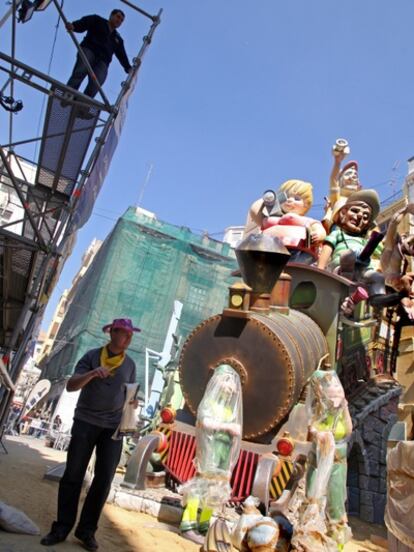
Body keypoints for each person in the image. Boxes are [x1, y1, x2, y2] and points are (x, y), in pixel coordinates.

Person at [41, 318, 140, 551]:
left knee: (104, 480)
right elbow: (71, 385)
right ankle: (61, 528)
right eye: (124, 333)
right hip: (86, 422)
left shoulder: (130, 364)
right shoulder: (92, 357)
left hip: (113, 429)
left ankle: (86, 531)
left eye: (130, 335)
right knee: (73, 475)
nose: (127, 338)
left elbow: (132, 393)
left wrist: (134, 401)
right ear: (112, 333)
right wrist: (93, 374)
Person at [244, 179, 326, 263]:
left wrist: (318, 235)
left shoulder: (307, 220)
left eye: (297, 199)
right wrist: (268, 199)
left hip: (298, 251)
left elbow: (320, 230)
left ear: (306, 204)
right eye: (285, 196)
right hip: (269, 250)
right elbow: (254, 211)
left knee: (292, 267)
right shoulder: (272, 218)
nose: (290, 200)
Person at [65, 9, 132, 99]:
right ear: (111, 16)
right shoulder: (97, 20)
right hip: (90, 49)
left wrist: (128, 67)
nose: (119, 21)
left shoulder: (118, 39)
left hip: (103, 61)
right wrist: (74, 26)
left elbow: (122, 55)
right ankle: (68, 94)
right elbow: (85, 22)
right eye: (118, 17)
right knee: (81, 70)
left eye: (121, 20)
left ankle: (82, 103)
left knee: (97, 82)